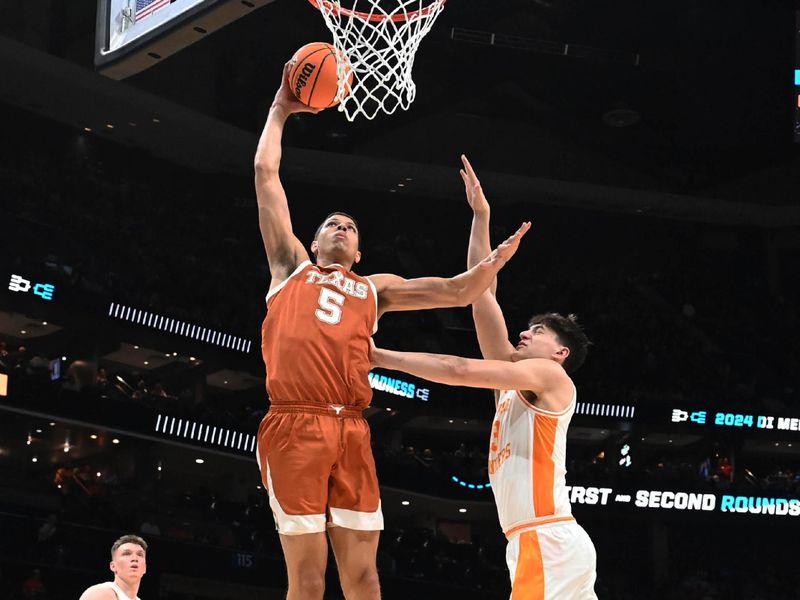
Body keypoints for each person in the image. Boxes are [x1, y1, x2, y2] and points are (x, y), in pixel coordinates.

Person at [254, 62, 530, 600]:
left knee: (365, 577)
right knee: (307, 580)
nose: (342, 227)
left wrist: (482, 220)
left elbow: (459, 290)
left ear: (360, 253)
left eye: (351, 228)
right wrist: (280, 110)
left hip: (353, 427)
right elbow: (267, 176)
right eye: (332, 224)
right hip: (295, 423)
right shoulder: (290, 267)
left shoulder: (374, 289)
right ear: (313, 243)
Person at [370, 156, 597, 599]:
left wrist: (378, 355)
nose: (523, 332)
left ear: (561, 351)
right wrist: (481, 216)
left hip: (545, 538)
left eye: (537, 331)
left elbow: (459, 369)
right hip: (538, 540)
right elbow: (480, 294)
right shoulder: (516, 382)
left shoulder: (550, 377)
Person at [79, 535, 147, 600]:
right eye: (127, 553)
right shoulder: (101, 593)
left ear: (144, 568)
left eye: (140, 554)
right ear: (113, 566)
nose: (134, 558)